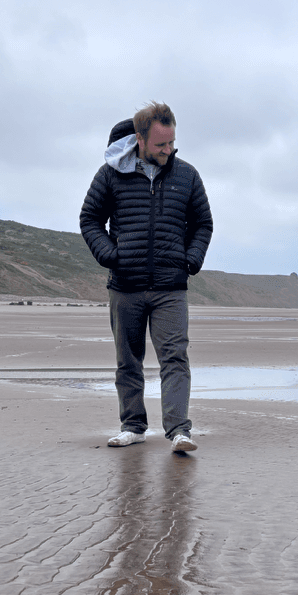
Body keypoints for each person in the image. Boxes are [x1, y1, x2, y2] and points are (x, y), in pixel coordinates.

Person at [79, 102, 214, 452]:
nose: (168, 151)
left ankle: (179, 431)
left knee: (175, 358)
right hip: (126, 285)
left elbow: (203, 224)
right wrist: (110, 255)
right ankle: (133, 426)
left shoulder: (187, 175)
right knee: (128, 361)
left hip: (170, 287)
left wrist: (192, 258)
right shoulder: (110, 174)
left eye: (171, 144)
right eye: (160, 145)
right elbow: (90, 218)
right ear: (139, 139)